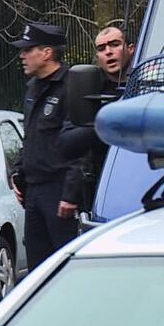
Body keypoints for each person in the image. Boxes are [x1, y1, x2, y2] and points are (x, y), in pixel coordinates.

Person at [9, 22, 83, 270]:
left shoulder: (71, 85)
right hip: (34, 191)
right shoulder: (33, 87)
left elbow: (79, 144)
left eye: (28, 49)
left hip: (58, 190)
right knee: (37, 268)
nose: (22, 55)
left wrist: (70, 194)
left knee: (64, 265)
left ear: (47, 52)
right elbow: (31, 136)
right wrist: (18, 171)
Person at [59, 26, 135, 211]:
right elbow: (67, 142)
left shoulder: (150, 82)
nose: (108, 52)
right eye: (101, 48)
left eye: (115, 45)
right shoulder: (90, 91)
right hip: (104, 185)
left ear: (131, 48)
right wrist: (104, 123)